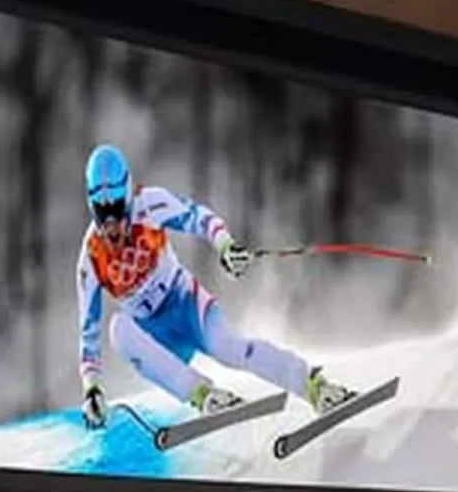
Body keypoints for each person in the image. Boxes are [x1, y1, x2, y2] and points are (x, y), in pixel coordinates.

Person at [74, 143, 352, 427]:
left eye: (118, 210)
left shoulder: (149, 204)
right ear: (91, 206)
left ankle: (314, 386)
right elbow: (88, 332)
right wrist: (91, 388)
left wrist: (225, 246)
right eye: (102, 214)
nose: (112, 226)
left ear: (128, 195)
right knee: (117, 330)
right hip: (159, 339)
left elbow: (199, 217)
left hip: (185, 305)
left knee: (229, 349)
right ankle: (203, 394)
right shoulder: (90, 259)